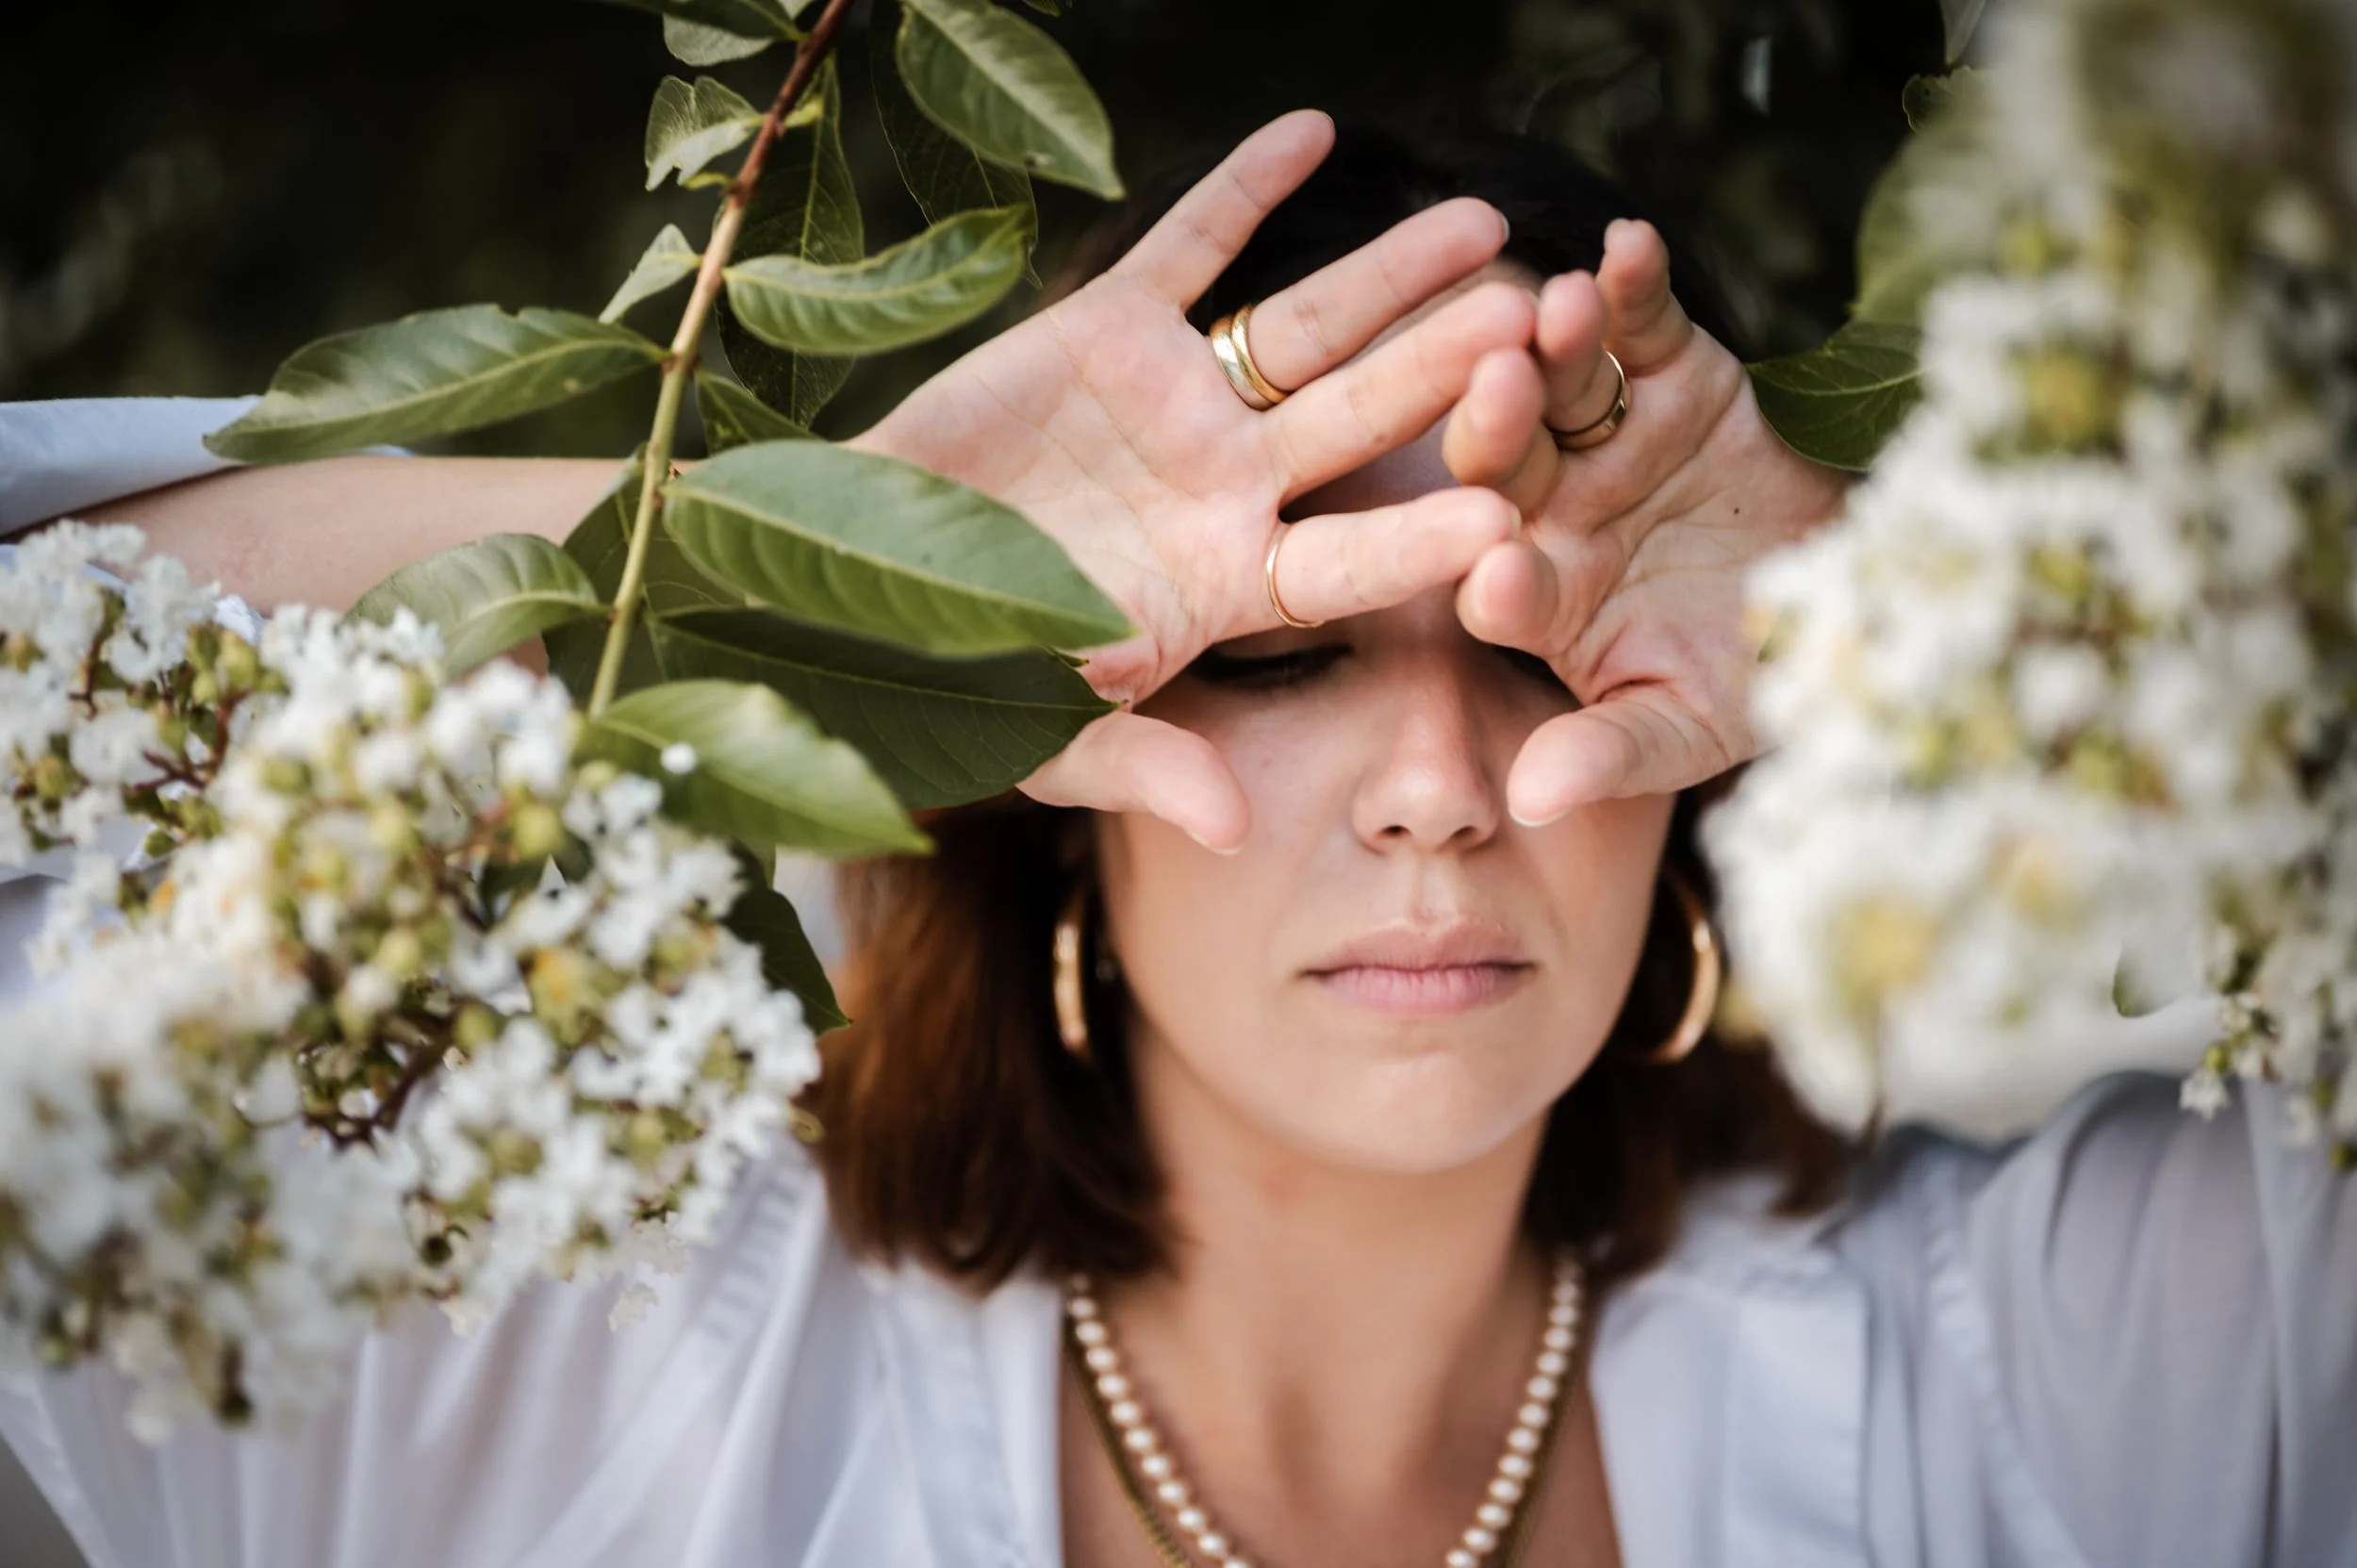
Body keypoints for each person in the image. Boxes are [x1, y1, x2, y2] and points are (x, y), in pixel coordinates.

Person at [0, 112, 2349, 1568]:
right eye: (1282, 644)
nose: (1439, 778)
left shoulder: (2059, 1375)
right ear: (1045, 781)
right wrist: (803, 566)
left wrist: (1934, 617)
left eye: (1546, 649)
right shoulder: (557, 1375)